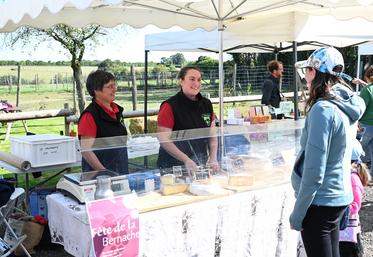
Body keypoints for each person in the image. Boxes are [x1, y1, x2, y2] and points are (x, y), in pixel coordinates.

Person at [289, 47, 366, 257]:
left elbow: (314, 169)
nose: (305, 76)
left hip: (321, 202)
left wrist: (298, 212)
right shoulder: (344, 104)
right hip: (338, 197)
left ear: (315, 71)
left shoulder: (323, 109)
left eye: (307, 70)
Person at [157, 66, 219, 173]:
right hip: (174, 166)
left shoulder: (207, 104)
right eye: (192, 79)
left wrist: (213, 158)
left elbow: (212, 136)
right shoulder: (169, 106)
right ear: (181, 81)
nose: (196, 83)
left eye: (199, 80)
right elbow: (164, 140)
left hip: (199, 163)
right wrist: (186, 160)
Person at [78, 70, 128, 174]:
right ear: (96, 90)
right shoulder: (90, 116)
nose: (115, 89)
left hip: (119, 170)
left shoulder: (117, 110)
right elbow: (86, 151)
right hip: (99, 177)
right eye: (110, 86)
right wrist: (105, 172)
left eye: (115, 85)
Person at [339, 139, 371, 257]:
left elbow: (355, 206)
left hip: (346, 231)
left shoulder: (352, 178)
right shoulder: (347, 175)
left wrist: (336, 208)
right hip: (343, 230)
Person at [357, 65, 373, 176]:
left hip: (366, 125)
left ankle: (357, 175)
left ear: (367, 76)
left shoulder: (366, 90)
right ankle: (370, 176)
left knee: (356, 149)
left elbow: (359, 110)